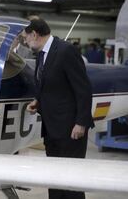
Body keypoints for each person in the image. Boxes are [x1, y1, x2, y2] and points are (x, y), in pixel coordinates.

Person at [24, 18, 94, 199]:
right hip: (51, 128)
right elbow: (49, 85)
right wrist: (37, 101)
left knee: (71, 182)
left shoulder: (66, 51)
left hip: (70, 129)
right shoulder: (41, 55)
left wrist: (81, 123)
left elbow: (83, 89)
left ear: (34, 34)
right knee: (54, 178)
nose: (25, 41)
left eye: (26, 37)